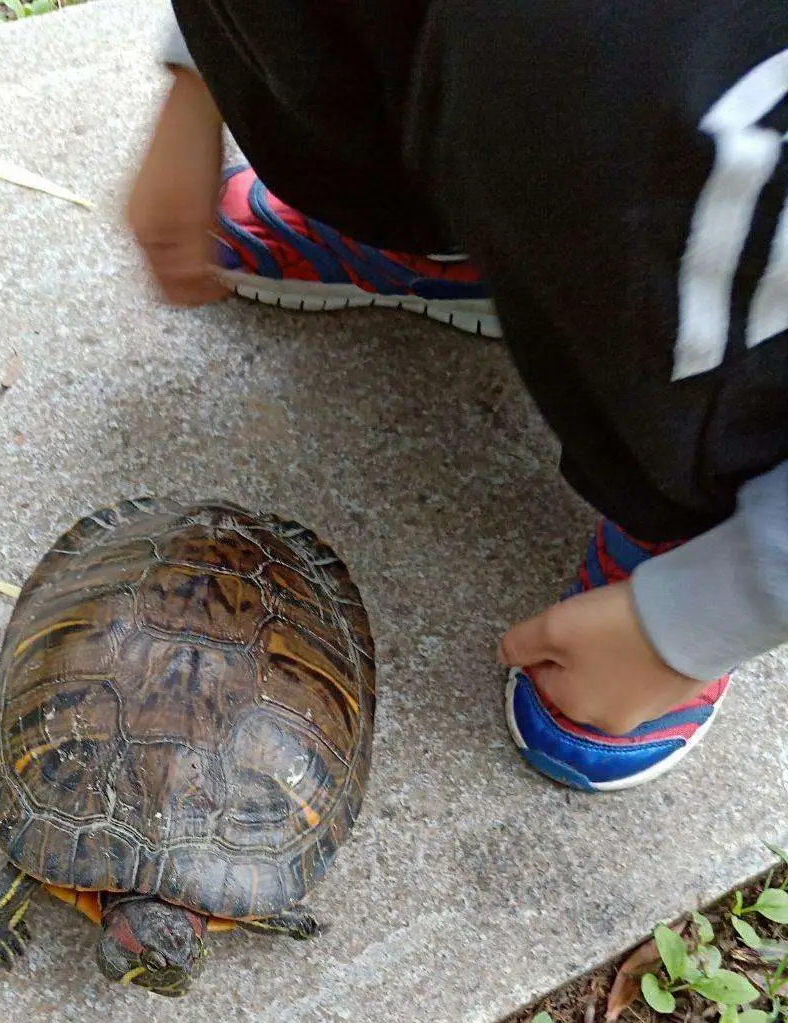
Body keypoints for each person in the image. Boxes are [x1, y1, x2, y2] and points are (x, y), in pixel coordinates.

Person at [126, 0, 788, 792]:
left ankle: (695, 501)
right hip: (513, 93)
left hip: (725, 205)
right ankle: (433, 234)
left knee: (629, 77)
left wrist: (705, 611)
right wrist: (202, 79)